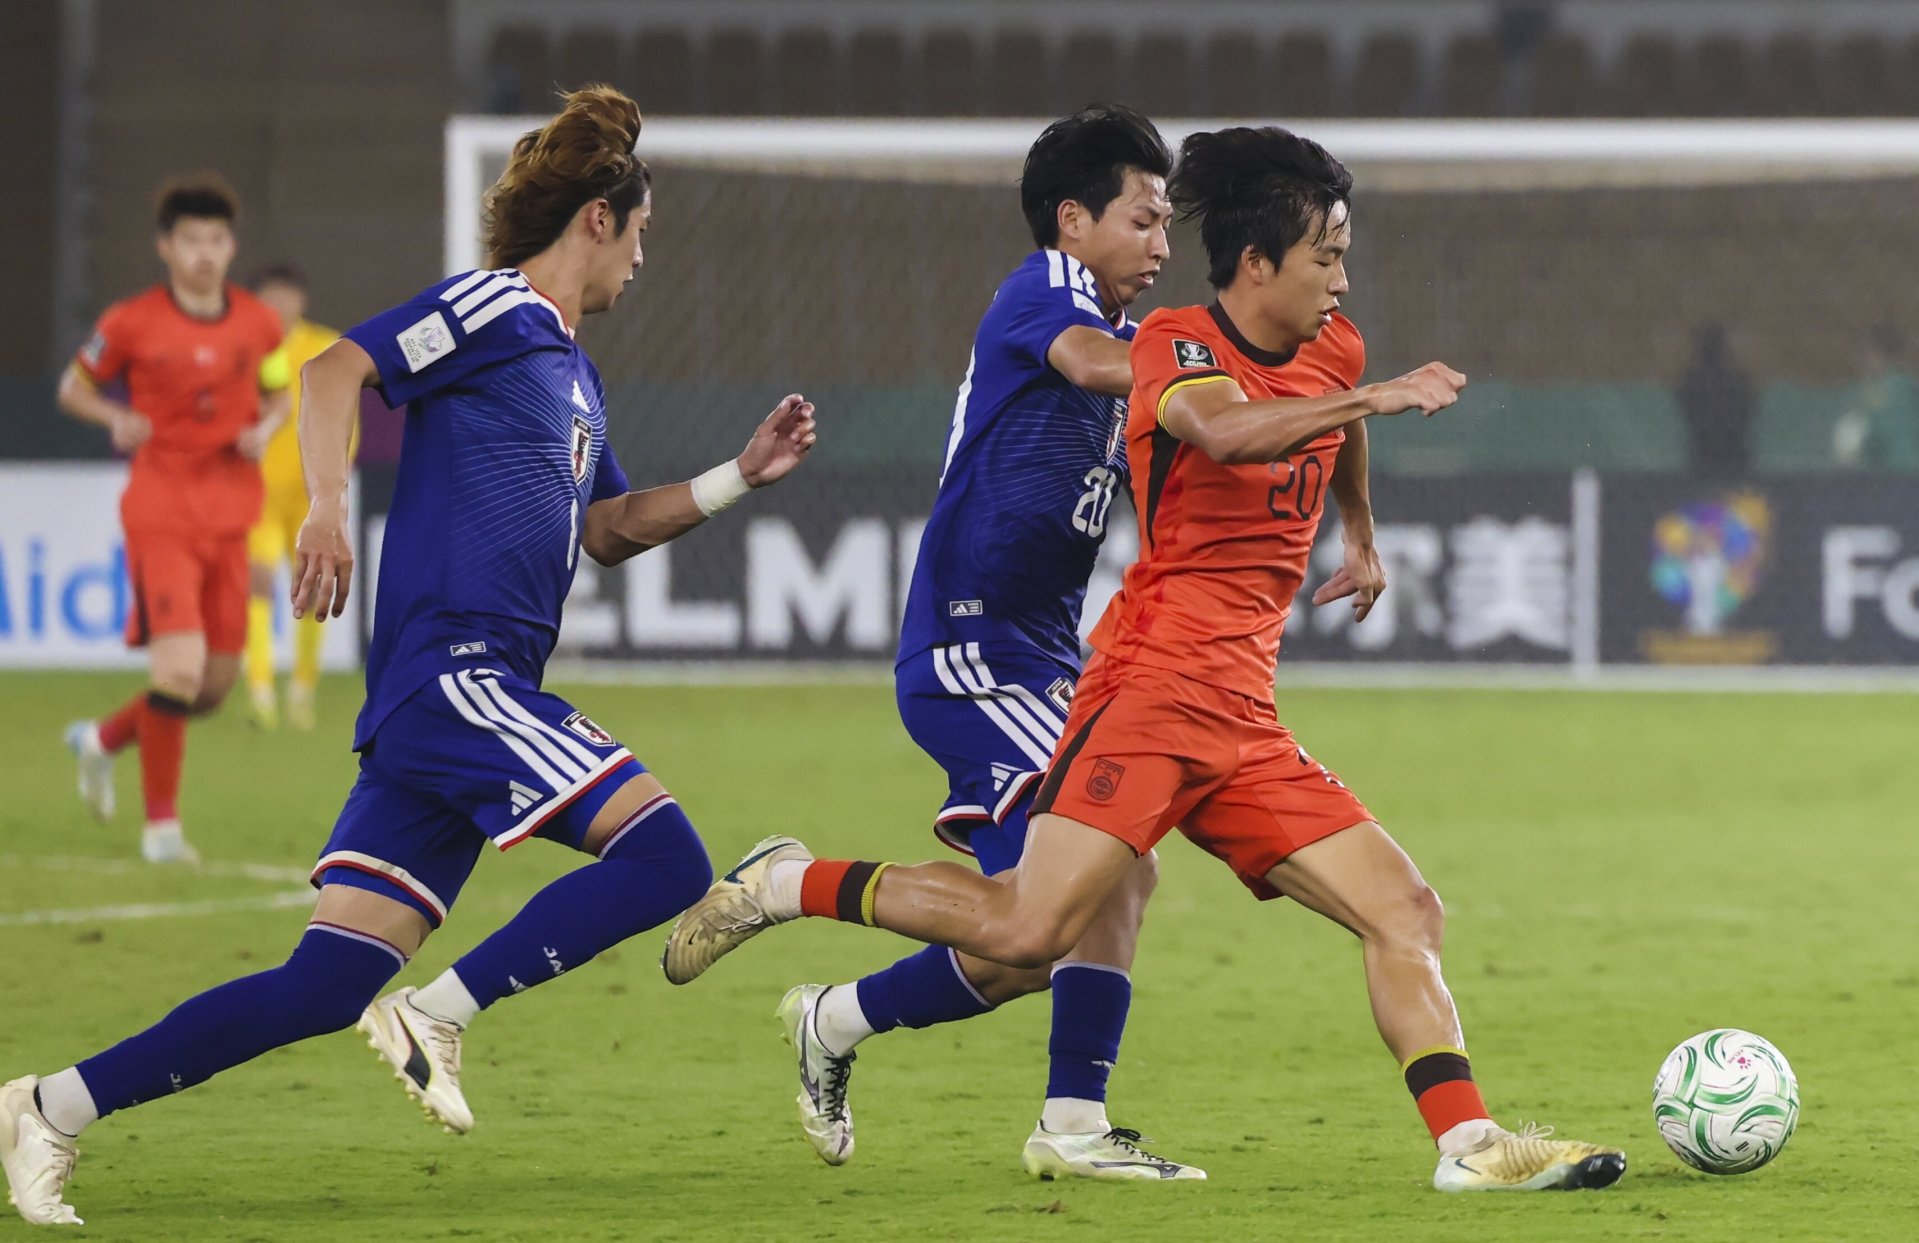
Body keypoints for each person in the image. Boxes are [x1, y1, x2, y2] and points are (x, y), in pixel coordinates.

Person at [665, 125, 1628, 1194]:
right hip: (1147, 693)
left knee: (1404, 909)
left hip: (1242, 719)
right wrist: (1374, 398)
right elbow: (1224, 432)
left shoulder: (1335, 348)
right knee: (1028, 927)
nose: (1342, 280)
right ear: (1256, 262)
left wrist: (1359, 529)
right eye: (1325, 258)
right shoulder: (1172, 342)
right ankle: (789, 884)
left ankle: (1468, 1145)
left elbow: (1333, 415)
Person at [1, 86, 817, 1227]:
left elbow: (606, 528)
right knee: (668, 854)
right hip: (456, 673)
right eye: (640, 231)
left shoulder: (575, 375)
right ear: (596, 219)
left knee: (324, 982)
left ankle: (47, 1106)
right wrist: (327, 507)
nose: (643, 256)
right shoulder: (495, 306)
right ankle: (439, 1010)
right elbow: (334, 370)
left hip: (451, 709)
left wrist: (736, 476)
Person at [776, 105, 1198, 1181]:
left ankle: (837, 1019)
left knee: (1057, 920)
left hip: (1040, 658)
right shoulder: (1050, 290)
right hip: (972, 651)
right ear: (1072, 218)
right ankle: (792, 882)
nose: (1160, 243)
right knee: (1085, 882)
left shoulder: (1120, 337)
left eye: (1166, 224)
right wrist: (1212, 362)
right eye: (1143, 219)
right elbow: (1094, 365)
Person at [57, 177, 291, 865]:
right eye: (190, 240)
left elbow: (279, 393)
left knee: (210, 690)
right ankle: (161, 829)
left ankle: (101, 740)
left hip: (232, 518)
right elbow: (73, 388)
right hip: (161, 513)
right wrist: (115, 415)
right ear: (165, 246)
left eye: (216, 239)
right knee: (179, 672)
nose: (204, 253)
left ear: (232, 246)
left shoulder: (260, 323)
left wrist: (265, 428)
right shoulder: (129, 322)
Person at [242, 264, 346, 730]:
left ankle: (302, 690)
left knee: (314, 589)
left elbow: (346, 420)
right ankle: (260, 692)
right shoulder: (244, 347)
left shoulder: (326, 347)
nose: (278, 305)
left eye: (286, 296)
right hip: (257, 491)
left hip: (310, 497)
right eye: (270, 296)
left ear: (300, 301)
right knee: (257, 583)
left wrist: (334, 485)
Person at [1832, 323, 1919, 471]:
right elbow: (1852, 423)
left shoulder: (1902, 385)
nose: (1867, 359)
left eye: (1872, 353)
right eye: (1862, 354)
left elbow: (1895, 423)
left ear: (1885, 356)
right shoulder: (1859, 389)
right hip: (1871, 467)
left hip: (1903, 464)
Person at [1676, 322, 1754, 479]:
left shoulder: (1694, 380)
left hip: (1723, 454)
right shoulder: (1736, 380)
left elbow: (1686, 408)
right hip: (1714, 453)